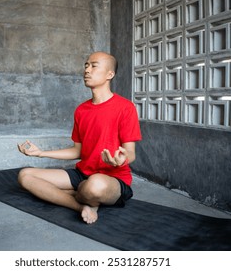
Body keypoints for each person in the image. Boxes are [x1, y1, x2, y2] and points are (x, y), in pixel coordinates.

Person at [17, 51, 142, 224]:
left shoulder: (125, 108)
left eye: (94, 66)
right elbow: (78, 151)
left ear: (109, 74)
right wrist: (41, 153)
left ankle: (75, 194)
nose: (87, 70)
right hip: (82, 174)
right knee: (25, 175)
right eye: (86, 65)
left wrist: (120, 160)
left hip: (112, 179)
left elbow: (131, 153)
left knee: (94, 185)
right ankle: (82, 205)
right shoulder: (81, 110)